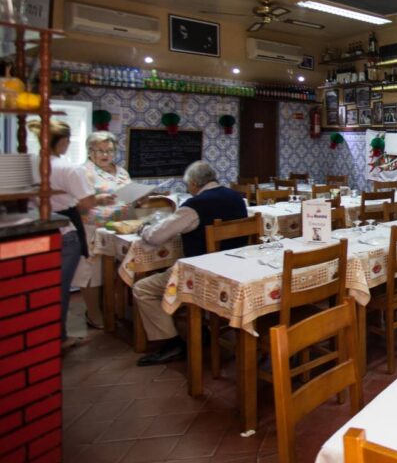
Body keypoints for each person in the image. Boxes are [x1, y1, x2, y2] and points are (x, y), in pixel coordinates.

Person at [132, 161, 248, 366]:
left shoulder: (194, 206)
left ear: (194, 184)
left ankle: (171, 342)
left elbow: (156, 237)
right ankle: (200, 327)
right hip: (234, 269)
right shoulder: (236, 197)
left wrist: (143, 229)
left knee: (142, 288)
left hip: (201, 274)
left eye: (188, 186)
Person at [28, 120, 113, 347]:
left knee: (44, 285)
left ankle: (41, 334)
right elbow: (86, 203)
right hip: (65, 230)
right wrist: (103, 198)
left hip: (40, 228)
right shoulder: (69, 169)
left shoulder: (31, 162)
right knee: (60, 286)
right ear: (64, 141)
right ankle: (58, 338)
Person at [74, 132, 135, 329]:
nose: (105, 155)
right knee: (91, 273)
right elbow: (75, 204)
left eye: (110, 150)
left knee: (113, 271)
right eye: (100, 150)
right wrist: (98, 200)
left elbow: (128, 195)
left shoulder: (121, 171)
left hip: (119, 228)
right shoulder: (83, 172)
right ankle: (93, 313)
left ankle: (110, 308)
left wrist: (138, 197)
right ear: (90, 151)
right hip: (93, 228)